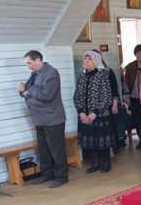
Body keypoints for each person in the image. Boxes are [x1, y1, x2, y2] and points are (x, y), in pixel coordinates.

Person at [18, 50, 68, 188]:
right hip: (39, 118)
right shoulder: (35, 73)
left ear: (38, 60)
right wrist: (22, 90)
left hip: (52, 118)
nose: (28, 66)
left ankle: (61, 176)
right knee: (44, 149)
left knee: (57, 149)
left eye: (29, 63)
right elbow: (26, 91)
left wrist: (28, 92)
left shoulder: (51, 73)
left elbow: (47, 95)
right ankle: (47, 174)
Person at [74, 51, 114, 173]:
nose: (87, 61)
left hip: (99, 115)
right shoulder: (81, 77)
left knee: (102, 141)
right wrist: (81, 112)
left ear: (96, 61)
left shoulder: (102, 76)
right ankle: (96, 163)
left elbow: (107, 97)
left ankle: (106, 162)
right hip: (85, 116)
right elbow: (76, 97)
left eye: (90, 59)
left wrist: (94, 112)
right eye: (85, 59)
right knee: (90, 142)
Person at [123, 44, 141, 149]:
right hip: (134, 98)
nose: (140, 55)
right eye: (138, 53)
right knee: (137, 120)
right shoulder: (130, 67)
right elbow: (126, 83)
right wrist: (127, 96)